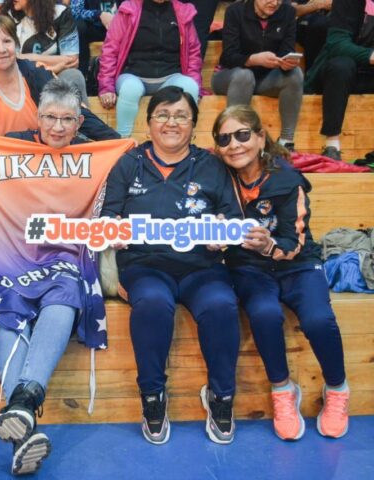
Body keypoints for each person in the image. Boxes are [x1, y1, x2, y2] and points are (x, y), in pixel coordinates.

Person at [101, 86, 242, 445]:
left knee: (221, 305)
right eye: (162, 114)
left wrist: (224, 231)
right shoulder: (128, 163)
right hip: (144, 266)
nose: (171, 123)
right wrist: (112, 229)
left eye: (181, 116)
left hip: (201, 267)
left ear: (193, 124)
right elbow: (107, 214)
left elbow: (232, 216)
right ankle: (152, 396)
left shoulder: (212, 165)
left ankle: (221, 396)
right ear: (148, 123)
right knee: (151, 303)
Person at [212, 104, 349, 441]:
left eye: (243, 135)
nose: (234, 144)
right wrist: (211, 235)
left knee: (318, 319)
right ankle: (282, 391)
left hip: (297, 263)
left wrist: (269, 245)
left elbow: (295, 241)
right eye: (224, 138)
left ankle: (337, 389)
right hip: (249, 268)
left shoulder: (287, 179)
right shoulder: (215, 176)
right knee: (264, 313)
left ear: (261, 137)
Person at [0, 79, 87, 476]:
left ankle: (21, 410)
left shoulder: (90, 154)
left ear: (79, 123)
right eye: (50, 117)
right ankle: (25, 415)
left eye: (67, 119)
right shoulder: (10, 147)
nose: (58, 127)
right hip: (10, 254)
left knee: (64, 292)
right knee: (10, 308)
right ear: (37, 118)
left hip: (63, 256)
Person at [0, 15, 119, 140]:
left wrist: (116, 141)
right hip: (3, 166)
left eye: (7, 41)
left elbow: (76, 113)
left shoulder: (37, 74)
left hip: (46, 162)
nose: (1, 49)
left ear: (16, 45)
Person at [97, 0, 202, 138]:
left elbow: (193, 52)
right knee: (130, 89)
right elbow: (110, 51)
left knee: (191, 87)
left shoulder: (183, 12)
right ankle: (122, 139)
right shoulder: (128, 10)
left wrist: (196, 84)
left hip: (171, 76)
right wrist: (106, 87)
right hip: (133, 75)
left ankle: (184, 141)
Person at [211, 0, 302, 151]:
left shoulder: (288, 13)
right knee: (244, 75)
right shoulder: (235, 11)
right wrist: (253, 59)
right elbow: (228, 56)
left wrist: (285, 63)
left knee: (295, 74)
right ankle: (234, 137)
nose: (275, 3)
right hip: (231, 76)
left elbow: (286, 50)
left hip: (265, 78)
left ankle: (286, 141)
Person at [304, 0, 374, 161]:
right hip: (337, 75)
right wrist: (370, 56)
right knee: (342, 66)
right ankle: (332, 146)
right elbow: (337, 44)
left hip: (368, 75)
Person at [0, 0, 90, 106]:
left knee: (74, 75)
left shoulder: (60, 13)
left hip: (57, 73)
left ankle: (80, 116)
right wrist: (54, 67)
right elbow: (13, 61)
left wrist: (30, 57)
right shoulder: (8, 17)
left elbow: (72, 60)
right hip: (23, 76)